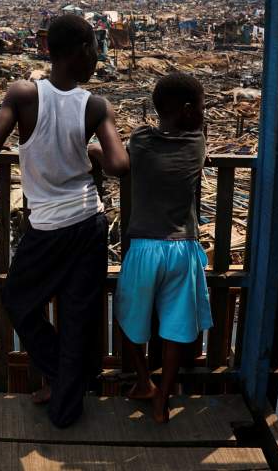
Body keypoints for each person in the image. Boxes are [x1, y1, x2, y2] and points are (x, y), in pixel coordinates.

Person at [0, 14, 129, 428]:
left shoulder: (24, 94)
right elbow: (118, 163)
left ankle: (60, 378)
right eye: (96, 48)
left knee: (18, 301)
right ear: (82, 51)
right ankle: (67, 401)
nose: (98, 57)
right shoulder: (95, 105)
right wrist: (93, 152)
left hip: (46, 226)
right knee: (79, 315)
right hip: (87, 221)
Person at [115, 72, 213, 424]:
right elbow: (200, 131)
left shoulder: (141, 140)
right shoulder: (196, 145)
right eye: (202, 107)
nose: (204, 113)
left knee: (129, 318)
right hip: (182, 249)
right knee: (175, 328)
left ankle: (144, 381)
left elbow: (125, 157)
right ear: (189, 111)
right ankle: (163, 400)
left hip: (143, 248)